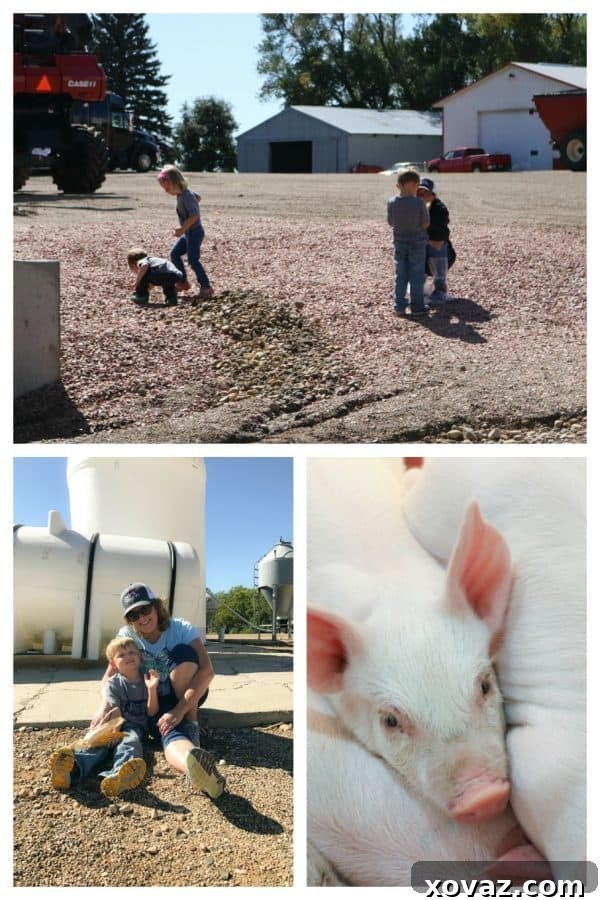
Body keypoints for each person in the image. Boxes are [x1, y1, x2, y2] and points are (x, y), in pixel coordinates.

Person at [90, 583, 226, 799]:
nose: (142, 618)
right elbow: (109, 677)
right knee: (169, 734)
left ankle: (192, 724)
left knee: (183, 654)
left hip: (186, 693)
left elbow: (207, 671)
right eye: (134, 615)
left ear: (156, 607)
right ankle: (194, 766)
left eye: (145, 610)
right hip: (152, 700)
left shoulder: (181, 628)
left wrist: (180, 710)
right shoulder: (127, 636)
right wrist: (106, 706)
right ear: (129, 620)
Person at [48, 637, 154, 799]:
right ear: (112, 664)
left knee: (130, 743)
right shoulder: (113, 683)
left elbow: (152, 711)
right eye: (121, 655)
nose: (128, 656)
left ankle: (118, 775)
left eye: (132, 652)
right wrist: (114, 732)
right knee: (97, 746)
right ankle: (70, 769)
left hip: (135, 727)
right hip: (114, 723)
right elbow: (115, 709)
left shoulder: (148, 680)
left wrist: (152, 690)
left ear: (140, 656)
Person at [157, 164, 214, 301]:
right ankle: (183, 282)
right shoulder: (184, 193)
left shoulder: (186, 196)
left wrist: (182, 228)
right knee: (175, 253)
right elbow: (198, 197)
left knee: (193, 260)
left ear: (174, 183)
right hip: (188, 233)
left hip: (194, 232)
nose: (166, 191)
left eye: (167, 188)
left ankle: (206, 286)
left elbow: (194, 215)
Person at [387, 168, 430, 317]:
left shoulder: (392, 202)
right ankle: (417, 307)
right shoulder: (419, 203)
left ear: (398, 185)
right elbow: (425, 223)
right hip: (417, 242)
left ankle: (399, 306)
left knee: (401, 275)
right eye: (417, 186)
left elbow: (391, 222)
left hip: (399, 242)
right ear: (413, 184)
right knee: (416, 276)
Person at [416, 176, 456, 306]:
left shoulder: (439, 209)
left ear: (433, 195)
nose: (421, 196)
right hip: (419, 255)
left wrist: (424, 226)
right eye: (418, 192)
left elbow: (442, 234)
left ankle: (440, 290)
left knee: (437, 243)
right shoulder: (410, 207)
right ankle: (417, 289)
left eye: (425, 192)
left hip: (442, 255)